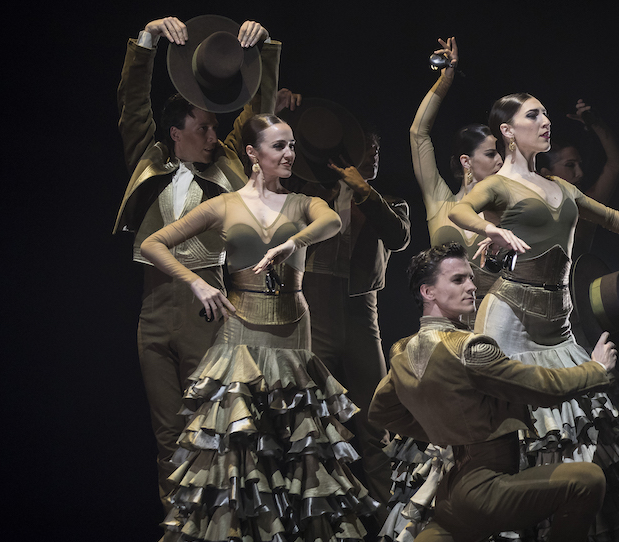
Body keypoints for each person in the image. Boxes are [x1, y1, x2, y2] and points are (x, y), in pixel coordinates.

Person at [447, 92, 619, 538]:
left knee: (582, 424)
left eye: (547, 113)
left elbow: (614, 218)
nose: (546, 121)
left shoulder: (563, 188)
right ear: (508, 132)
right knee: (519, 427)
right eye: (533, 115)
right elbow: (459, 209)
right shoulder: (498, 185)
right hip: (510, 317)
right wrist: (490, 227)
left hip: (559, 322)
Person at [141, 114, 375, 540]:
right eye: (279, 146)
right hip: (240, 330)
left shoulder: (304, 202)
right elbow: (152, 243)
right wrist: (196, 282)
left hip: (293, 331)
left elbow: (332, 223)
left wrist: (292, 242)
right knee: (240, 443)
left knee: (298, 441)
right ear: (252, 153)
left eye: (291, 146)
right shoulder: (225, 204)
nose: (290, 154)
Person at [114, 15, 281, 510]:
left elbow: (260, 112)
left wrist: (261, 49)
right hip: (154, 308)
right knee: (168, 437)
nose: (213, 134)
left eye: (215, 126)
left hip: (209, 308)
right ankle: (178, 528)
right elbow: (131, 107)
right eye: (203, 126)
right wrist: (145, 42)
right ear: (176, 131)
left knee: (209, 431)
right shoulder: (150, 158)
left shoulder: (230, 160)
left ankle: (221, 524)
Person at [368, 243, 619, 542]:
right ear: (428, 292)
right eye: (458, 280)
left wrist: (443, 429)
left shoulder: (402, 350)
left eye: (470, 278)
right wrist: (596, 369)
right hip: (484, 488)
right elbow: (542, 387)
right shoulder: (470, 348)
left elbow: (381, 411)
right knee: (587, 480)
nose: (472, 286)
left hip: (451, 491)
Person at [293, 121, 412, 517]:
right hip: (315, 308)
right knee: (315, 420)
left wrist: (364, 190)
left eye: (379, 148)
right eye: (368, 147)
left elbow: (398, 237)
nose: (376, 153)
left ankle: (387, 519)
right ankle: (322, 518)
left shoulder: (389, 202)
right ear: (349, 153)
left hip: (362, 315)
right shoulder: (313, 195)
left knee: (375, 420)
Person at [410, 37, 504, 314]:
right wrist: (445, 81)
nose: (499, 160)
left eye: (499, 152)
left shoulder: (506, 205)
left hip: (493, 320)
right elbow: (418, 135)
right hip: (444, 321)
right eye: (489, 154)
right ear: (466, 161)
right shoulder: (440, 201)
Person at [536, 98, 619, 257]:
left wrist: (595, 124)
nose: (580, 173)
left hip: (579, 280)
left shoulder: (586, 206)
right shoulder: (526, 205)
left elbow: (615, 164)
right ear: (546, 173)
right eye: (570, 165)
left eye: (579, 165)